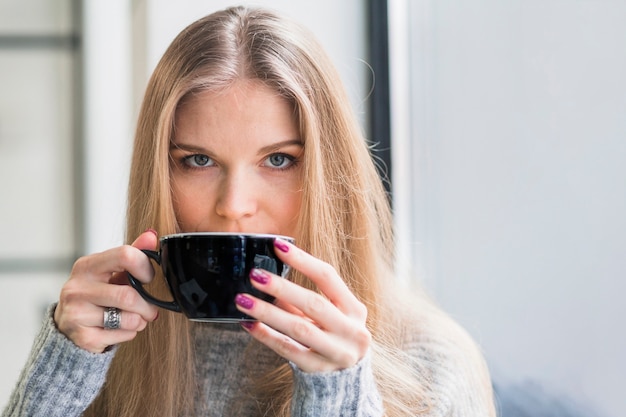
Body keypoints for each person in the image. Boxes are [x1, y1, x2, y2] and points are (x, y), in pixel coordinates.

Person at [2, 6, 495, 417]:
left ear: (330, 173)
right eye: (198, 161)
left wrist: (337, 396)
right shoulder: (109, 340)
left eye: (278, 160)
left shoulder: (431, 364)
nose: (234, 206)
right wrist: (64, 367)